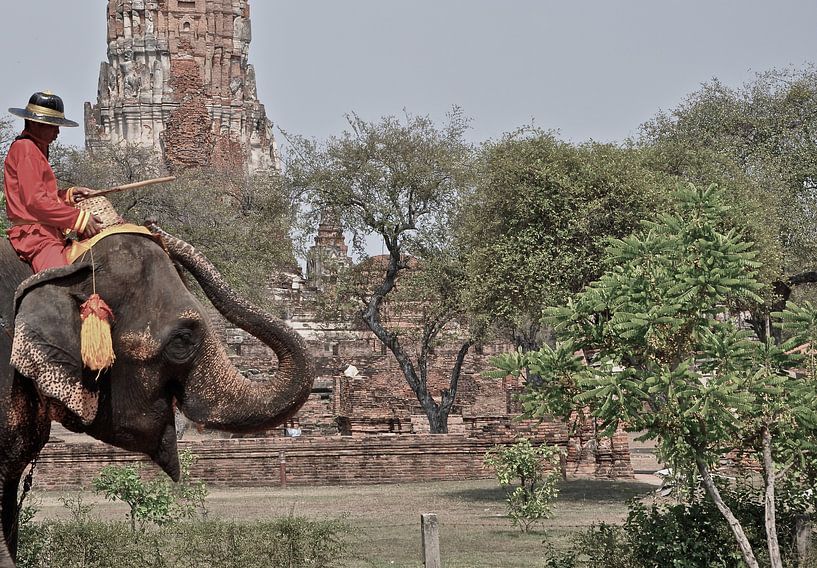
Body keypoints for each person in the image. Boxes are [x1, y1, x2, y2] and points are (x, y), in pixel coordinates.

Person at [4, 91, 102, 272]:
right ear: (34, 123)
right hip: (36, 236)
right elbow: (35, 202)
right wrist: (78, 218)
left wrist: (68, 195)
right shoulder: (26, 149)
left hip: (48, 232)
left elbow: (41, 195)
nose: (57, 132)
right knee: (61, 283)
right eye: (52, 125)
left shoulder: (34, 148)